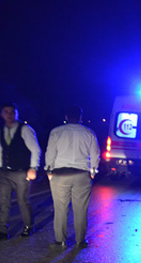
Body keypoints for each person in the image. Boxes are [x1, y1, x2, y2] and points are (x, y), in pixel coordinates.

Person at [45, 105, 100, 248]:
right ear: (80, 117)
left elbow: (50, 152)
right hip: (82, 174)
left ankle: (60, 241)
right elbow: (95, 154)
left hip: (60, 174)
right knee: (81, 209)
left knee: (60, 209)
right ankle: (80, 241)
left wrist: (49, 170)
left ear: (66, 116)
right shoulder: (89, 133)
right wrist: (93, 171)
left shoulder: (56, 132)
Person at [0, 103, 41, 240]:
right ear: (2, 114)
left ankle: (28, 226)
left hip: (21, 172)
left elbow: (35, 149)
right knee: (3, 201)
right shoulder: (1, 130)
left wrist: (33, 168)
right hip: (4, 172)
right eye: (6, 112)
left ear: (17, 114)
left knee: (22, 201)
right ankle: (2, 230)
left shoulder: (25, 129)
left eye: (12, 112)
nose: (9, 115)